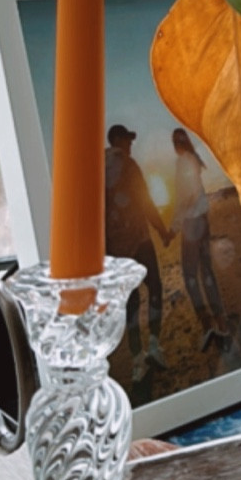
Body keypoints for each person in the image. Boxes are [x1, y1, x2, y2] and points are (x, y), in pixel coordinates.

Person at [104, 124, 171, 384]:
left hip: (117, 250)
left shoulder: (97, 169)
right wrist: (163, 232)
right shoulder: (129, 165)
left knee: (130, 304)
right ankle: (154, 345)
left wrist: (106, 250)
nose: (131, 145)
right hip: (141, 242)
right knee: (154, 287)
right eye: (128, 140)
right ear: (118, 140)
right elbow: (145, 202)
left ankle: (137, 361)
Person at [171, 127, 229, 351]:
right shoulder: (194, 160)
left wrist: (175, 225)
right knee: (207, 271)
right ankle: (222, 324)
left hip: (192, 222)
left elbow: (189, 197)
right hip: (203, 219)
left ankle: (208, 326)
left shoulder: (183, 162)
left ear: (176, 144)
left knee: (190, 276)